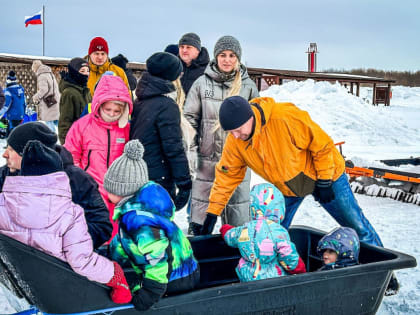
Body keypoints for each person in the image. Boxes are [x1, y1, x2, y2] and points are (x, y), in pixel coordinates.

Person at [199, 95, 401, 295]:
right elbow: (227, 176)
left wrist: (324, 180)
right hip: (289, 188)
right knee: (267, 234)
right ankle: (275, 280)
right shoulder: (237, 142)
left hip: (328, 178)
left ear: (249, 117)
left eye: (237, 129)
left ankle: (386, 277)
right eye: (230, 132)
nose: (234, 135)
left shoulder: (284, 118)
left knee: (356, 225)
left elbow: (322, 145)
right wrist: (212, 212)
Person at [0, 140, 131, 304]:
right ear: (58, 176)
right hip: (62, 289)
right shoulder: (69, 214)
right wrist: (114, 275)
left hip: (25, 282)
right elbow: (81, 260)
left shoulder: (2, 205)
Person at [104, 140, 199, 311]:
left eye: (109, 189)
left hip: (174, 279)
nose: (106, 192)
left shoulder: (139, 219)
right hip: (175, 273)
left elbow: (157, 254)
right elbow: (125, 239)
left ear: (122, 191)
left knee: (141, 298)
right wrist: (111, 258)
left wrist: (150, 292)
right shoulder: (134, 211)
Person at [183, 35, 259, 235]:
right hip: (207, 161)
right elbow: (189, 118)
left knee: (238, 224)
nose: (227, 60)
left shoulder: (248, 86)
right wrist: (193, 148)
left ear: (238, 58)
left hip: (238, 162)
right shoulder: (202, 84)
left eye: (232, 55)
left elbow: (258, 122)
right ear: (216, 57)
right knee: (200, 222)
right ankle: (198, 259)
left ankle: (236, 260)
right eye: (223, 55)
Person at [0, 122, 112, 249]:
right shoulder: (5, 175)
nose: (5, 155)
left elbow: (101, 226)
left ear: (32, 155)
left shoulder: (77, 180)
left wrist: (61, 240)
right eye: (6, 148)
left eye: (12, 150)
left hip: (60, 263)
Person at [64, 75, 133, 239]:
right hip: (91, 189)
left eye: (117, 111)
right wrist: (81, 181)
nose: (112, 114)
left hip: (118, 191)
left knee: (117, 233)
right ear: (99, 105)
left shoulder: (126, 129)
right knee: (93, 232)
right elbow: (71, 156)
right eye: (107, 110)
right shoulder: (82, 126)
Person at [130, 52, 191, 210]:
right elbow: (173, 147)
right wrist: (184, 183)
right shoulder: (166, 105)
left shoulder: (140, 101)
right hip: (159, 177)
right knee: (158, 227)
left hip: (140, 173)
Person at [220, 183, 306, 282]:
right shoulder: (278, 232)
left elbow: (230, 236)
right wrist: (299, 269)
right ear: (279, 210)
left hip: (247, 275)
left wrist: (225, 228)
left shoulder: (245, 229)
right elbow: (287, 255)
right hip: (272, 278)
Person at [58, 58, 91, 144]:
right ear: (74, 72)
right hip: (75, 141)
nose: (86, 74)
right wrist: (66, 144)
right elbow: (65, 121)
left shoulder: (86, 91)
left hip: (88, 138)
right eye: (82, 71)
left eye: (88, 71)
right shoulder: (69, 93)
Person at [32, 60, 60, 132]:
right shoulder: (50, 74)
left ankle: (52, 139)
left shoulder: (42, 76)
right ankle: (67, 135)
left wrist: (35, 97)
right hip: (55, 100)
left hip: (48, 103)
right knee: (57, 121)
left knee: (49, 122)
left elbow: (43, 90)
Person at [0, 71, 26, 135]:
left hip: (12, 116)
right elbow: (24, 103)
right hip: (21, 115)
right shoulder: (20, 89)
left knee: (11, 135)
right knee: (17, 133)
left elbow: (6, 106)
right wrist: (23, 113)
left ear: (8, 81)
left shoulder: (8, 91)